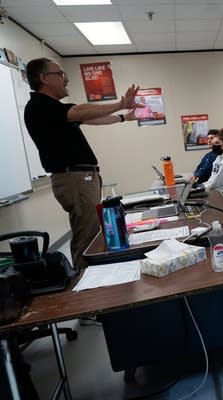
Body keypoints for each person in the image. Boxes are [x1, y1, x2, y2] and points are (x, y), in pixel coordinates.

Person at [23, 57, 140, 271]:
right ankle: (84, 285)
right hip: (74, 179)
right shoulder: (39, 106)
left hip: (80, 178)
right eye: (60, 74)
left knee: (91, 231)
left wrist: (124, 118)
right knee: (87, 235)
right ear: (44, 78)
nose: (66, 79)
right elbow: (80, 112)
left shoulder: (55, 110)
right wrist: (121, 104)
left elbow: (92, 118)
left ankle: (92, 277)